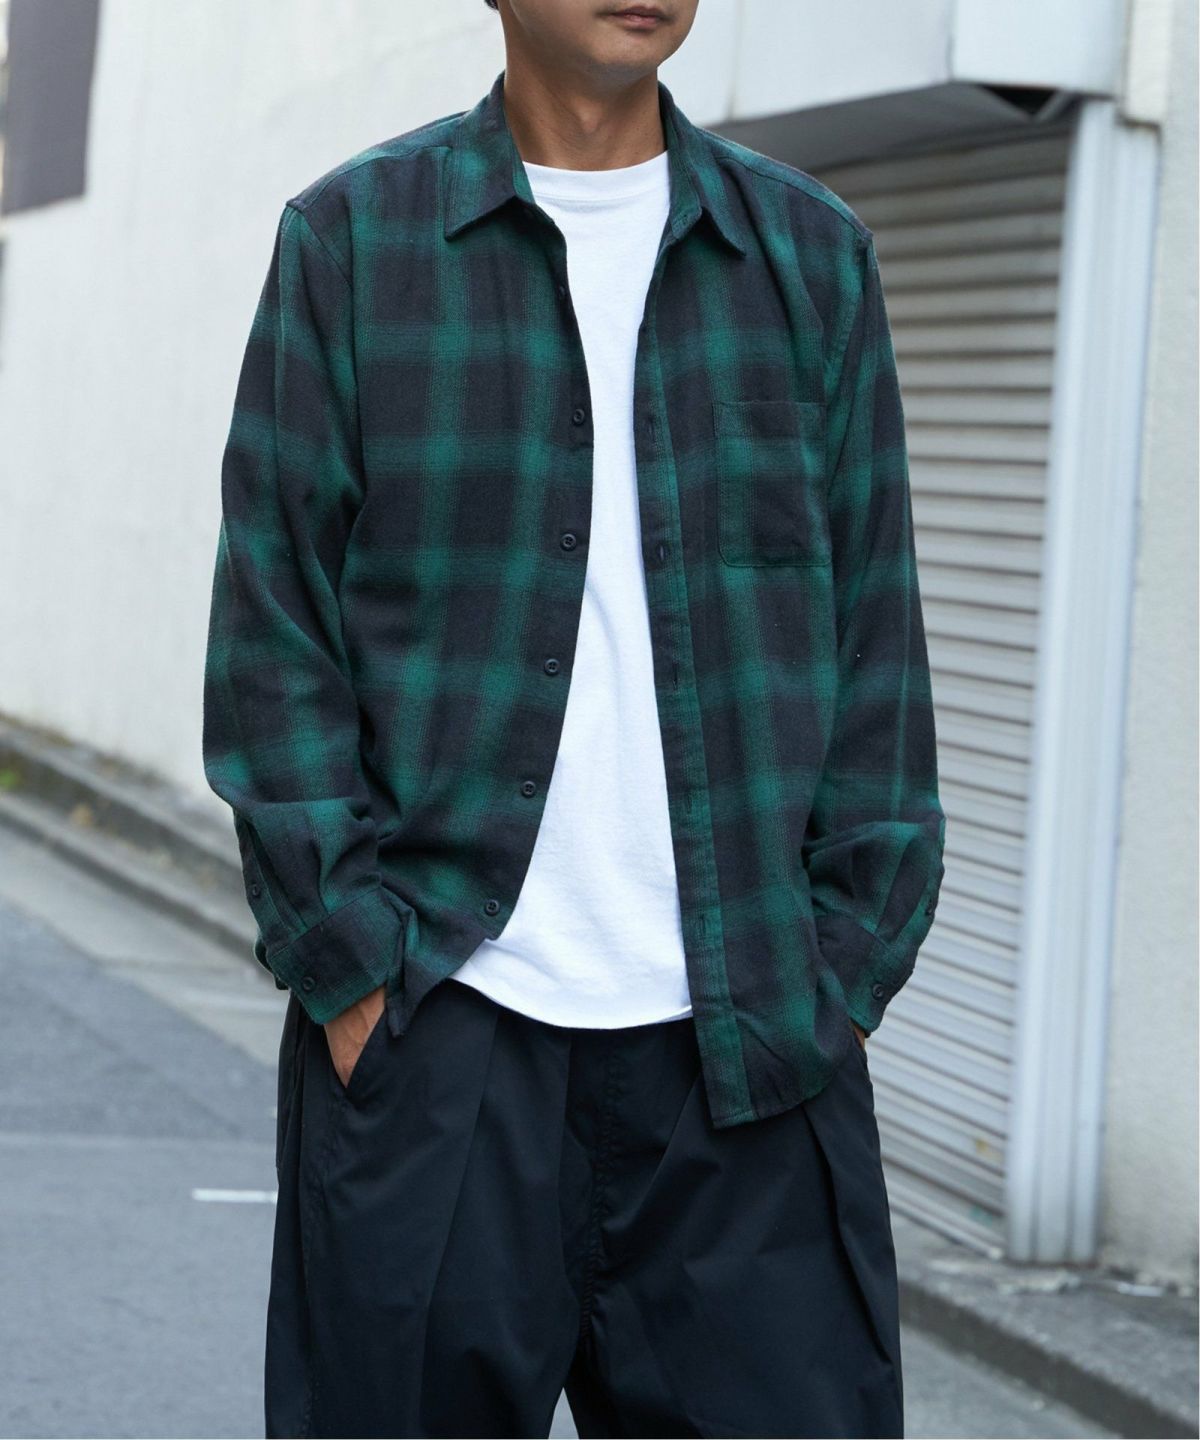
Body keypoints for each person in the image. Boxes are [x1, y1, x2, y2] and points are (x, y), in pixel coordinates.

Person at [202, 1, 946, 1435]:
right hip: (441, 1037)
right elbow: (272, 632)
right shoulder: (354, 244)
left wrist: (842, 977)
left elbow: (878, 645)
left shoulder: (809, 259)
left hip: (752, 1055)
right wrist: (350, 969)